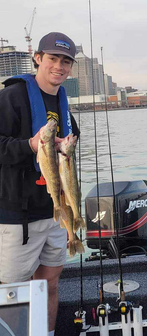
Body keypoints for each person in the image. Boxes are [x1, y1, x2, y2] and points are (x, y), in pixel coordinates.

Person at [0, 32, 79, 336]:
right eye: (53, 59)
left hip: (55, 213)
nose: (59, 66)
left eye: (66, 61)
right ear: (38, 59)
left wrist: (62, 146)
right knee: (13, 295)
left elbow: (69, 143)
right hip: (18, 216)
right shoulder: (11, 97)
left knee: (49, 284)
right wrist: (30, 146)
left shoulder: (62, 100)